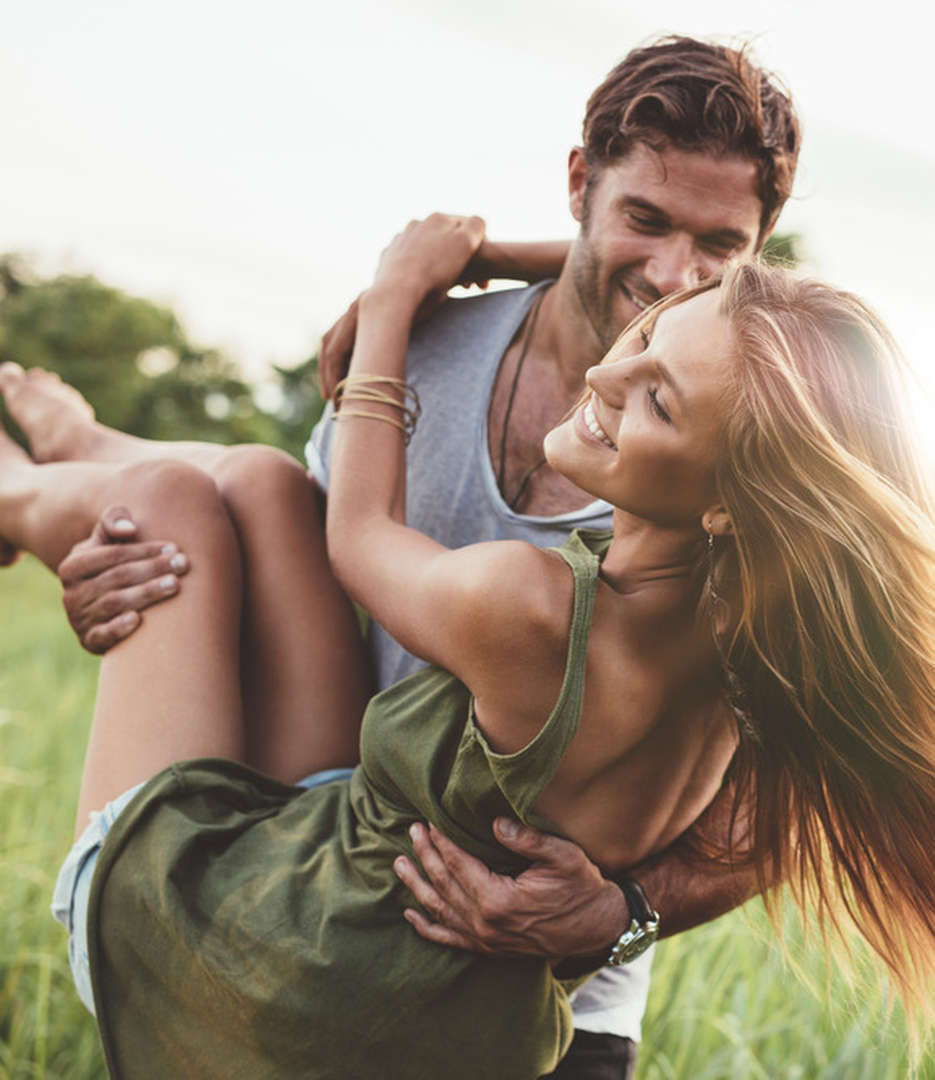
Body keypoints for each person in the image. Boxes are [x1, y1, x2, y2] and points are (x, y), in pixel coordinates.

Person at [1, 219, 935, 1078]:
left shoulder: (530, 607)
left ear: (733, 494)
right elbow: (746, 340)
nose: (608, 372)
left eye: (654, 399)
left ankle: (15, 495)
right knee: (266, 487)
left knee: (169, 505)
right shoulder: (767, 661)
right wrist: (519, 265)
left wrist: (390, 304)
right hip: (408, 956)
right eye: (648, 334)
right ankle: (75, 438)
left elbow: (360, 538)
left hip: (288, 976)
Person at [32, 34, 803, 1079]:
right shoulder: (437, 354)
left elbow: (801, 810)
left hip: (516, 986)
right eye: (645, 218)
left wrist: (620, 913)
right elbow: (293, 542)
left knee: (174, 498)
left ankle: (58, 474)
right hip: (330, 826)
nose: (677, 275)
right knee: (241, 486)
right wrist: (121, 581)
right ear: (579, 184)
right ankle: (77, 462)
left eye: (721, 245)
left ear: (758, 256)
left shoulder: (741, 497)